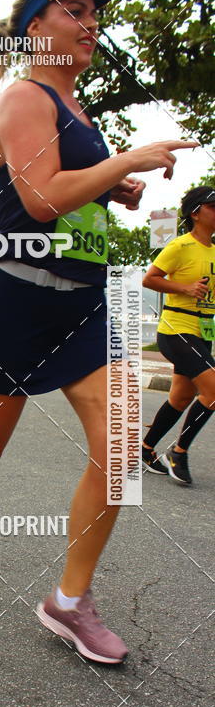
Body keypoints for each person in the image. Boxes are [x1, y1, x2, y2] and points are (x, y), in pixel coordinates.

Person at [0, 0, 198, 664]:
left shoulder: (78, 109)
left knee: (120, 446)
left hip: (83, 304)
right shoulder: (23, 96)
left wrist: (115, 189)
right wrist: (126, 158)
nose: (91, 22)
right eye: (75, 9)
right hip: (16, 297)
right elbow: (39, 199)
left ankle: (69, 600)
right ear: (37, 27)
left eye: (96, 12)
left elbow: (70, 189)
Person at [141, 186, 215, 485]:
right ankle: (179, 452)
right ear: (196, 213)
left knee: (182, 396)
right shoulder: (180, 246)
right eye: (214, 206)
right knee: (213, 391)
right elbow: (150, 279)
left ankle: (146, 449)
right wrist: (184, 288)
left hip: (202, 331)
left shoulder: (212, 251)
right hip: (176, 330)